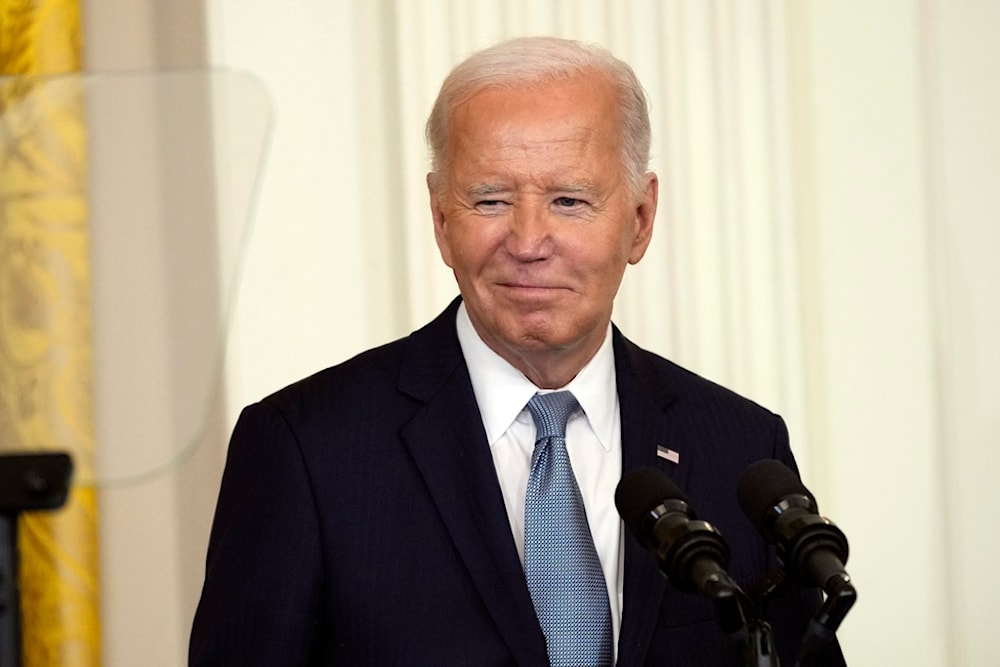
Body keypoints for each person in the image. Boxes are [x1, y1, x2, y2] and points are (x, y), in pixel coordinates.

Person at [190, 36, 845, 666]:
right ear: (442, 219)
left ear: (641, 219)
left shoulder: (740, 447)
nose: (530, 241)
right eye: (491, 199)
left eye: (569, 200)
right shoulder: (306, 450)